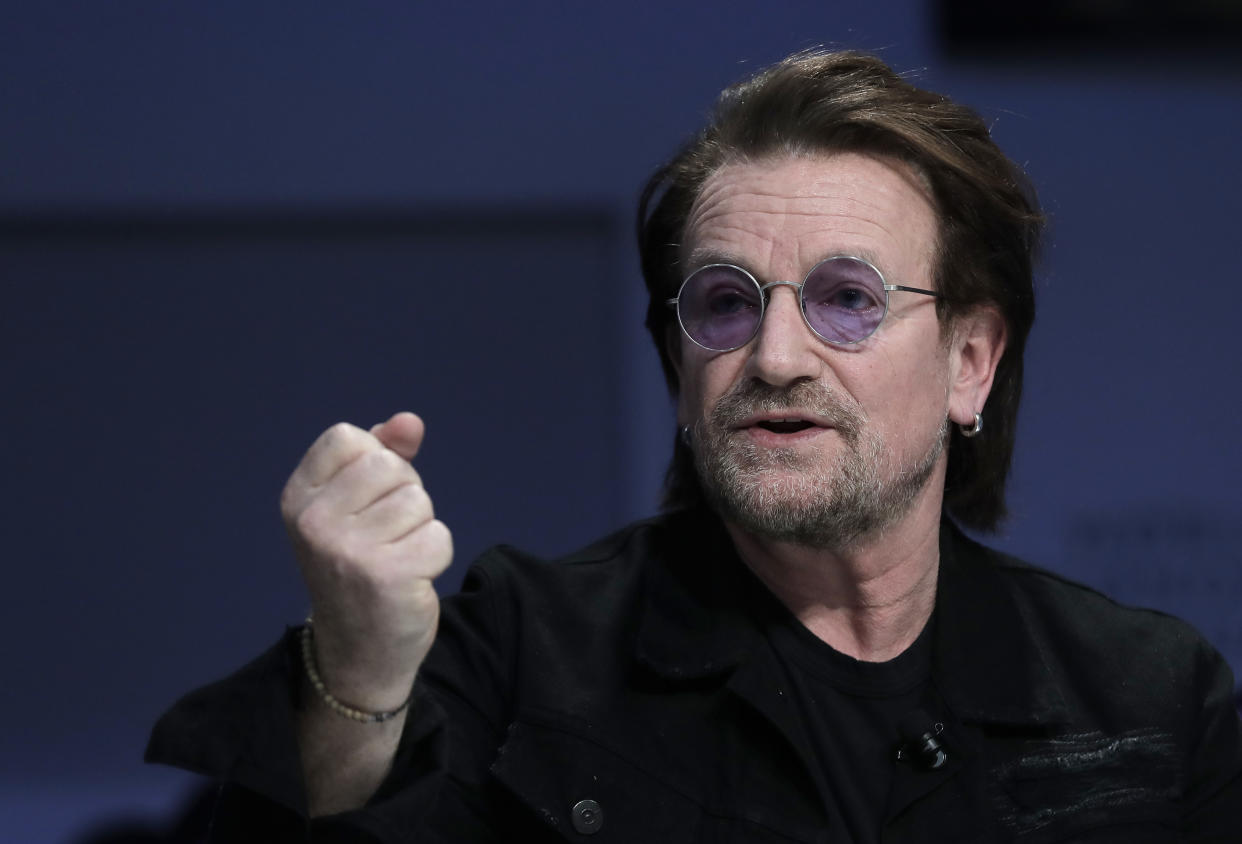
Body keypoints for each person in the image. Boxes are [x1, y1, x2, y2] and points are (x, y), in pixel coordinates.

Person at [147, 50, 1242, 842]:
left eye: (845, 299)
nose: (773, 355)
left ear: (971, 361)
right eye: (725, 302)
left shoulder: (1151, 696)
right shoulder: (525, 651)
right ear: (680, 360)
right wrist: (357, 673)